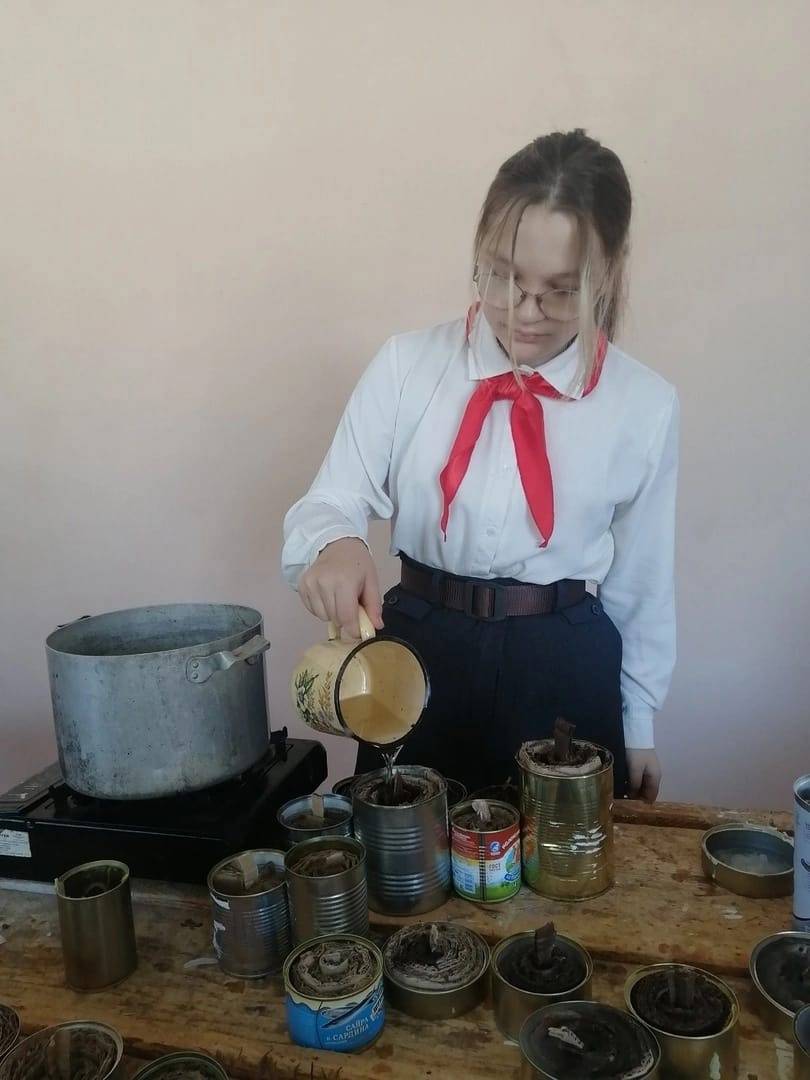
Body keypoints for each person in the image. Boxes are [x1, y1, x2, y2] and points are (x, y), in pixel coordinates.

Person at [282, 129, 678, 802]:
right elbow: (331, 499)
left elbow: (642, 582)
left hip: (564, 662)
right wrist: (335, 542)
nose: (524, 313)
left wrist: (638, 722)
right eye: (502, 277)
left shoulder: (644, 403)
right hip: (419, 655)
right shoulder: (407, 366)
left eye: (559, 291)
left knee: (561, 859)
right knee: (399, 850)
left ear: (606, 276)